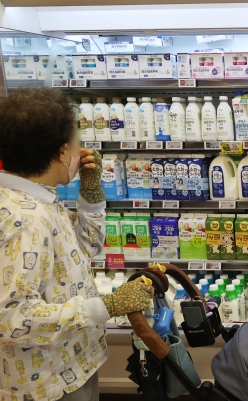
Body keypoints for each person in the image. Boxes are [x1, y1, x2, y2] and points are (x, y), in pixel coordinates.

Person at [0, 88, 154, 401]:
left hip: (70, 364)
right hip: (48, 383)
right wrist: (106, 307)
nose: (80, 150)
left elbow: (85, 245)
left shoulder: (38, 201)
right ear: (61, 153)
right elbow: (12, 317)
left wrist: (92, 192)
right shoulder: (26, 220)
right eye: (76, 143)